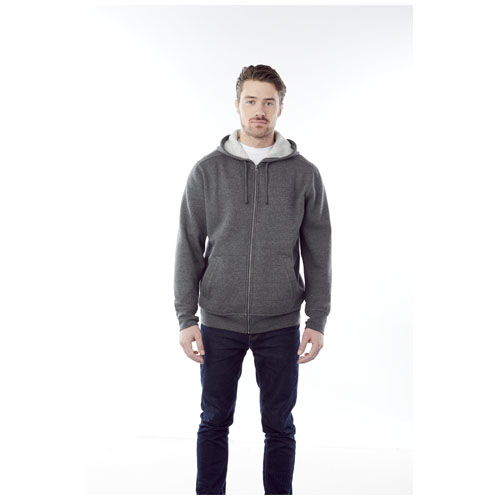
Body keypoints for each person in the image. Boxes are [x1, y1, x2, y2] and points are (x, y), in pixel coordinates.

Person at [174, 64, 332, 495]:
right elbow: (188, 245)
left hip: (280, 324)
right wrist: (186, 318)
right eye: (251, 101)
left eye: (268, 102)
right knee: (213, 421)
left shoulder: (304, 174)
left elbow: (318, 253)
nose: (259, 110)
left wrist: (317, 319)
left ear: (280, 108)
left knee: (279, 425)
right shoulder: (207, 171)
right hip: (217, 322)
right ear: (237, 105)